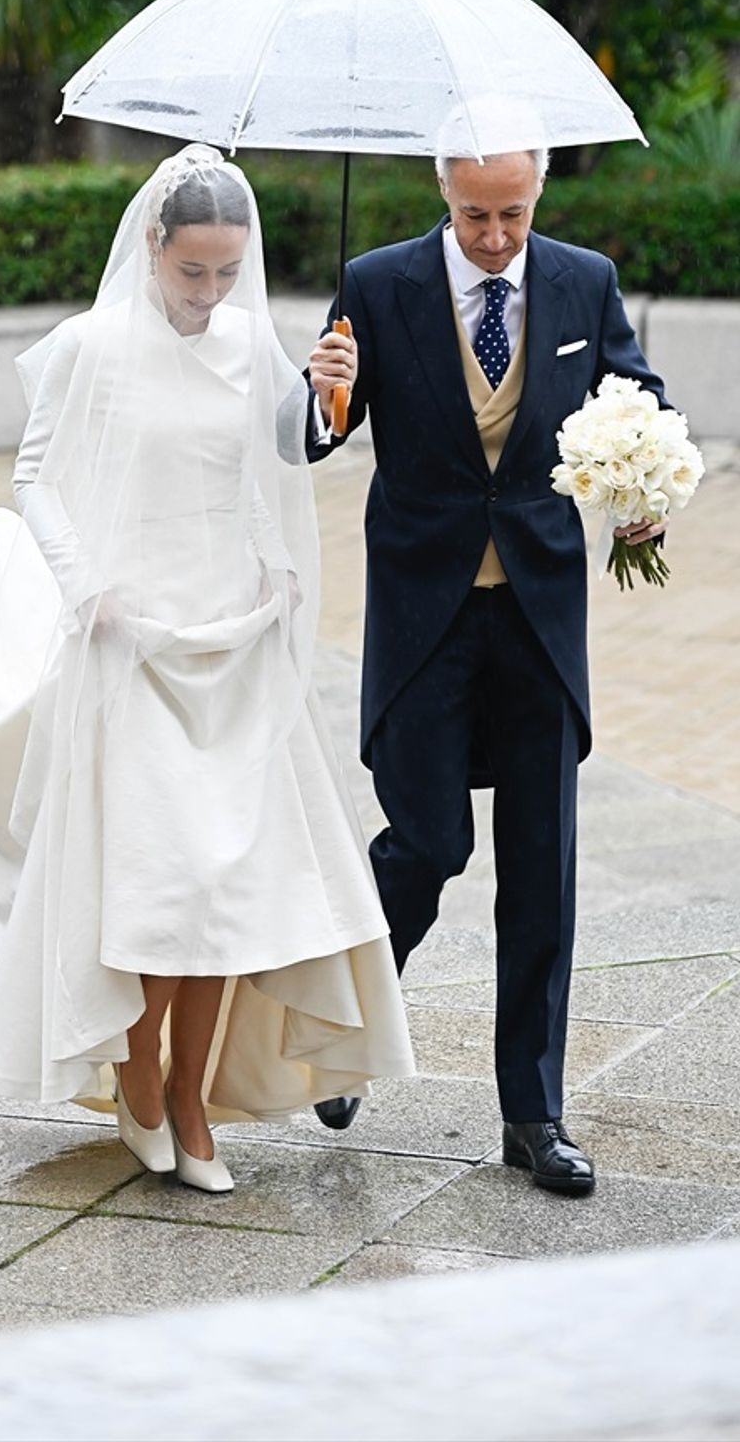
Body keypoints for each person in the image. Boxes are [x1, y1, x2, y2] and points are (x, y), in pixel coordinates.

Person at [0, 144, 413, 1193]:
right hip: (130, 639)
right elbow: (36, 478)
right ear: (153, 247)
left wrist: (325, 391)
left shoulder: (247, 340)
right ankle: (140, 1080)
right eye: (193, 271)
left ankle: (193, 1094)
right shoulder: (88, 348)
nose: (211, 292)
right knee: (150, 888)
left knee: (226, 889)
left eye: (229, 272)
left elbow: (279, 450)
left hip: (232, 641)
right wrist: (85, 586)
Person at [306, 142, 668, 1195]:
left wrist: (639, 476)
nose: (496, 236)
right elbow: (320, 434)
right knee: (426, 839)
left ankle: (535, 1116)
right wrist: (320, 394)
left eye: (512, 213)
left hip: (540, 617)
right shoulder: (376, 285)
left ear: (537, 191)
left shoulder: (583, 281)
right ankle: (347, 1034)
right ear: (443, 192)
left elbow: (635, 398)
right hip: (424, 613)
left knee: (542, 868)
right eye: (475, 215)